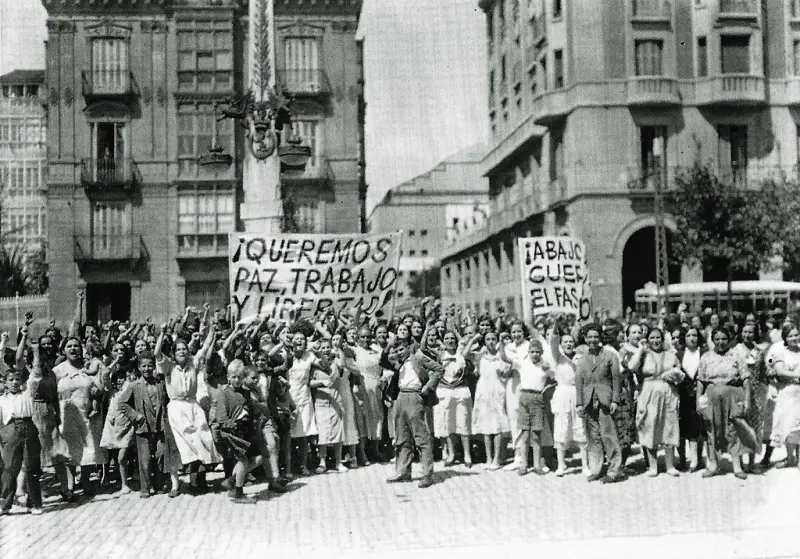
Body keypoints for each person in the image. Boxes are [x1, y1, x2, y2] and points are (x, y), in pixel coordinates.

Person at [155, 322, 221, 494]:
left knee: (201, 440)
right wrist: (162, 333)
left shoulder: (194, 364)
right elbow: (156, 353)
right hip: (176, 408)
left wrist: (212, 331)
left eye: (184, 349)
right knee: (178, 446)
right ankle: (177, 485)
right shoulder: (169, 367)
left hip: (193, 406)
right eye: (178, 350)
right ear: (174, 354)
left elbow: (205, 349)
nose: (182, 351)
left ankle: (196, 481)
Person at [382, 332, 444, 489]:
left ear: (409, 347)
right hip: (400, 397)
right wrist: (390, 345)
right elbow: (382, 360)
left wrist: (428, 386)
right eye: (397, 350)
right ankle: (403, 471)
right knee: (402, 437)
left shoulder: (418, 358)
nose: (399, 352)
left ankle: (427, 474)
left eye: (402, 349)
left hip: (415, 396)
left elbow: (439, 369)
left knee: (421, 436)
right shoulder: (398, 363)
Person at [117, 350, 181, 498]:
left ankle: (159, 484)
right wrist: (135, 415)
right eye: (144, 366)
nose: (147, 369)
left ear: (154, 367)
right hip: (143, 427)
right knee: (144, 460)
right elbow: (122, 404)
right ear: (139, 368)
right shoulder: (134, 385)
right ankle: (145, 488)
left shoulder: (160, 383)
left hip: (160, 426)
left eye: (150, 366)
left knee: (160, 455)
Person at [55, 336, 110, 496]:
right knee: (70, 450)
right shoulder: (58, 370)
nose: (73, 349)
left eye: (76, 346)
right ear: (64, 350)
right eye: (69, 346)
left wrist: (98, 392)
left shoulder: (89, 366)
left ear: (81, 349)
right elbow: (51, 392)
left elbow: (103, 386)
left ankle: (85, 480)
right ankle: (69, 485)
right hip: (67, 414)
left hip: (88, 413)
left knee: (89, 449)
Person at [696, 328, 753, 480]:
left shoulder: (737, 356)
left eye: (724, 339)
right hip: (711, 397)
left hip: (734, 396)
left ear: (729, 340)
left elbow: (746, 379)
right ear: (712, 340)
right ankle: (713, 465)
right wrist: (698, 401)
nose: (720, 342)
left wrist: (747, 400)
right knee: (712, 429)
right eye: (717, 339)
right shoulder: (706, 357)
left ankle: (737, 466)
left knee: (734, 429)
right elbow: (701, 381)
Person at [627, 328, 683, 477]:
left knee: (669, 426)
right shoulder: (643, 354)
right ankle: (653, 466)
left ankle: (670, 465)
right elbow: (632, 367)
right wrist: (640, 349)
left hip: (668, 392)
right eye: (652, 338)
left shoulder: (671, 354)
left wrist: (675, 376)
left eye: (658, 337)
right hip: (649, 393)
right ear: (647, 339)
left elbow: (680, 372)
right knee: (650, 425)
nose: (656, 341)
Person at [575, 324, 626, 484]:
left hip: (605, 400)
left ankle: (613, 471)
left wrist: (615, 400)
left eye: (596, 337)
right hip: (589, 401)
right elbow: (579, 382)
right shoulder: (582, 359)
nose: (593, 340)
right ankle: (596, 469)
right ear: (585, 339)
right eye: (589, 337)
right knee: (593, 436)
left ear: (600, 338)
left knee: (608, 435)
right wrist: (579, 403)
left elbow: (617, 379)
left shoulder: (610, 356)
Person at [499, 338, 553, 476]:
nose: (535, 354)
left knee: (536, 435)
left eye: (537, 352)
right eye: (532, 351)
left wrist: (545, 389)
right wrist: (502, 343)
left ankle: (536, 465)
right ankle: (523, 465)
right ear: (528, 352)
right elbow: (504, 357)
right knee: (525, 433)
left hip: (538, 398)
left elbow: (556, 379)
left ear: (541, 352)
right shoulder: (522, 363)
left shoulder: (545, 366)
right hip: (524, 397)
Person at [212, 363, 264, 503]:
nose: (237, 380)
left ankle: (232, 480)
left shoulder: (245, 392)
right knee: (243, 460)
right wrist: (234, 424)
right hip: (232, 431)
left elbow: (248, 409)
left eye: (240, 377)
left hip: (246, 430)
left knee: (258, 458)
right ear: (228, 377)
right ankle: (238, 493)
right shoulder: (223, 393)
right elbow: (221, 418)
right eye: (233, 377)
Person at [0, 359, 43, 515]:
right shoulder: (2, 400)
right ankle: (5, 505)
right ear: (5, 383)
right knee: (9, 469)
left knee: (32, 467)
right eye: (11, 380)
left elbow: (36, 374)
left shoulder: (27, 393)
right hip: (10, 431)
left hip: (28, 427)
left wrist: (35, 350)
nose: (14, 382)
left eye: (17, 379)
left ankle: (35, 503)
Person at [550, 316, 589, 477]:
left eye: (571, 342)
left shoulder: (580, 357)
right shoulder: (558, 357)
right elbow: (553, 341)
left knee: (580, 427)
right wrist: (555, 325)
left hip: (577, 393)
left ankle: (585, 465)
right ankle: (561, 464)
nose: (568, 344)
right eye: (565, 342)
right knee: (562, 426)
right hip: (562, 394)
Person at [433, 331, 478, 467]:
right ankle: (451, 454)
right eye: (447, 338)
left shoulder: (461, 355)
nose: (450, 340)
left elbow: (468, 351)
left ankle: (467, 455)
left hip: (460, 391)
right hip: (444, 391)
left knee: (463, 423)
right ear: (443, 341)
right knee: (448, 423)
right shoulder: (440, 355)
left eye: (452, 338)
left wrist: (473, 337)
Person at [471, 330, 511, 470]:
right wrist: (474, 338)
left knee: (498, 425)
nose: (491, 342)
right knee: (486, 426)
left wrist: (503, 375)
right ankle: (488, 458)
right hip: (484, 391)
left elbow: (506, 374)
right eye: (488, 339)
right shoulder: (481, 356)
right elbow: (467, 358)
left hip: (498, 390)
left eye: (493, 339)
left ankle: (497, 459)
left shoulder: (502, 356)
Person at [768, 324, 800, 468]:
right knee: (787, 424)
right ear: (785, 338)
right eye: (790, 336)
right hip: (787, 393)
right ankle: (789, 457)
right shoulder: (781, 353)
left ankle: (798, 458)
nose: (794, 338)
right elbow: (779, 371)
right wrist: (796, 375)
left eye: (796, 335)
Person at [312, 338, 346, 474]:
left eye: (327, 347)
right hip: (320, 400)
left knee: (338, 430)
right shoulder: (314, 365)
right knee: (323, 432)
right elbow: (309, 383)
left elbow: (343, 365)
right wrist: (321, 382)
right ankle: (322, 462)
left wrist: (339, 350)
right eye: (322, 348)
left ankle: (339, 462)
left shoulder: (335, 362)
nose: (325, 350)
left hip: (335, 399)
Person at [99, 371, 136, 494]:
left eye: (122, 378)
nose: (120, 381)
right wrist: (114, 362)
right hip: (113, 428)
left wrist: (128, 378)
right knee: (115, 457)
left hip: (127, 427)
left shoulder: (128, 390)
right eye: (117, 379)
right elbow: (105, 376)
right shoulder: (112, 393)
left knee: (121, 457)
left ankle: (125, 483)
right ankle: (123, 483)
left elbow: (129, 384)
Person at [675, 327, 705, 471]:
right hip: (682, 395)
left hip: (701, 394)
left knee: (698, 428)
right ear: (684, 338)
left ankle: (696, 460)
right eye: (688, 335)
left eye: (695, 335)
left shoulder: (704, 354)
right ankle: (681, 459)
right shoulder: (679, 354)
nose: (692, 338)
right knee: (681, 428)